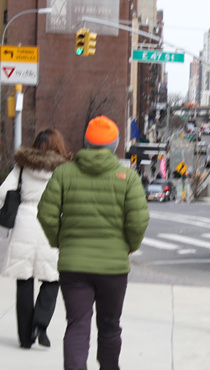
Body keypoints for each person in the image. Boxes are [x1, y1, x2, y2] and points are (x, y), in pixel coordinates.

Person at [37, 116, 150, 370]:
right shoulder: (127, 177)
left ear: (86, 143)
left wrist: (60, 240)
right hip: (113, 268)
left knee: (77, 325)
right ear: (115, 145)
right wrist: (129, 245)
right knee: (110, 326)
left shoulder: (64, 173)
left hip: (73, 266)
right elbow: (138, 220)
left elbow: (46, 213)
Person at [0, 129, 71, 349]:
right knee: (52, 277)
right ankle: (40, 323)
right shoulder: (65, 168)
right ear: (58, 145)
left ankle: (24, 337)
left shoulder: (23, 165)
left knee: (25, 279)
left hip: (25, 222)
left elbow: (4, 191)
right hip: (52, 224)